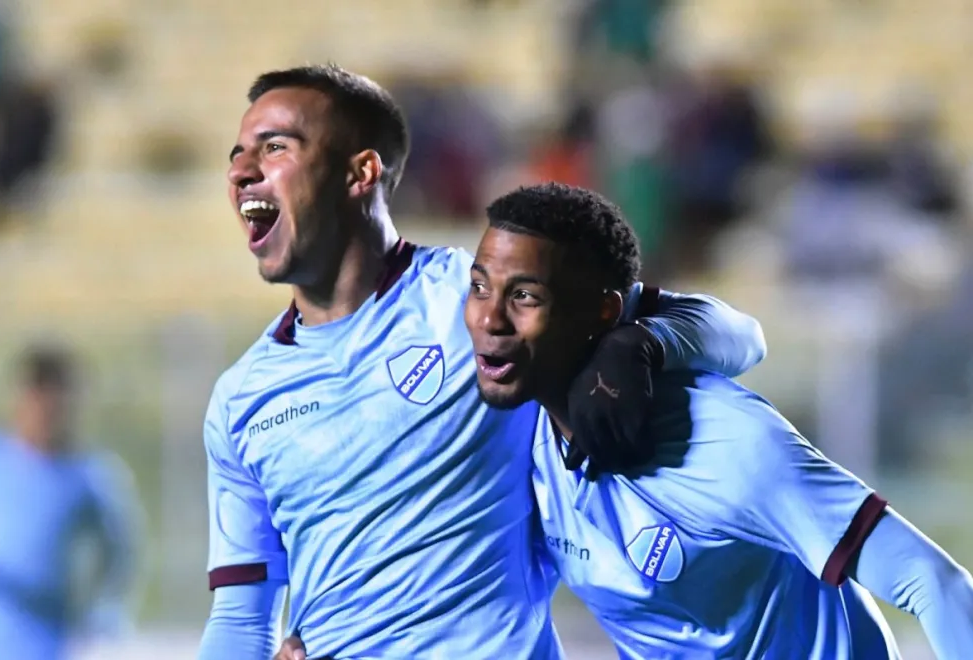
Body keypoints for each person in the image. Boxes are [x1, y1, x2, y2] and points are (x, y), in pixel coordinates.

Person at [200, 64, 768, 660]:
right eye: (237, 155)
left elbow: (738, 336)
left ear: (360, 173)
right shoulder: (242, 399)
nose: (241, 171)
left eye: (275, 147)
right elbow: (241, 619)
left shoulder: (478, 302)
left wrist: (642, 345)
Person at [462, 181, 973, 659]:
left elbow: (933, 582)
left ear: (604, 313)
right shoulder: (514, 421)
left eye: (525, 296)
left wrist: (643, 342)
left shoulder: (727, 442)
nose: (489, 320)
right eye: (480, 288)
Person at [0, 345, 141, 660]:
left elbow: (121, 552)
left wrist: (104, 610)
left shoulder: (88, 477)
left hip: (43, 641)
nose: (45, 412)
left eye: (56, 402)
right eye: (38, 398)